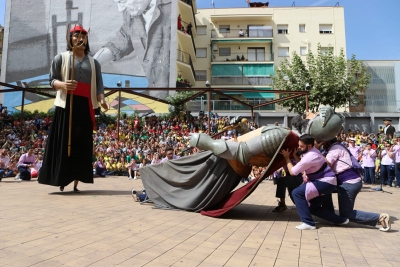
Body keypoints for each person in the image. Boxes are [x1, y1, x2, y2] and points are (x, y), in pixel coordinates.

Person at [139, 106, 343, 216]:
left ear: (317, 123)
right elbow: (253, 147)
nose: (310, 111)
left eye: (315, 113)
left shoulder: (282, 135)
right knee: (179, 178)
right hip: (226, 165)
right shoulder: (288, 138)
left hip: (221, 164)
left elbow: (243, 152)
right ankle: (149, 194)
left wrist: (205, 141)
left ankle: (148, 194)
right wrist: (243, 131)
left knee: (175, 173)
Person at [38, 25, 108, 192]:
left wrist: (103, 100)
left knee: (81, 143)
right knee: (63, 141)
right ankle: (61, 177)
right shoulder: (60, 58)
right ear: (70, 39)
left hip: (85, 105)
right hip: (65, 104)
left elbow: (99, 86)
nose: (80, 39)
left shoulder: (94, 62)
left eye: (83, 36)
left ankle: (77, 179)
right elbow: (52, 80)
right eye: (76, 36)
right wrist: (63, 84)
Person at [94, 0, 172, 92]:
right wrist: (92, 64)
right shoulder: (130, 13)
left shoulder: (171, 8)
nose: (120, 9)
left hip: (172, 95)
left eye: (122, 1)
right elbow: (121, 40)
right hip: (154, 93)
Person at [320, 138, 391, 232]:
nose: (321, 144)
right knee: (325, 192)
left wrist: (317, 151)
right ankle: (332, 217)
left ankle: (381, 217)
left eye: (321, 142)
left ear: (327, 141)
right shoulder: (336, 147)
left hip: (349, 182)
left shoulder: (335, 148)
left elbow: (326, 164)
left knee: (346, 214)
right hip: (348, 182)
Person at [281, 134, 348, 230]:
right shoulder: (313, 151)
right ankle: (340, 220)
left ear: (309, 146)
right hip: (328, 181)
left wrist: (287, 157)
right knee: (312, 207)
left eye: (301, 146)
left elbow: (293, 172)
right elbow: (302, 163)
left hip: (325, 182)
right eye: (298, 145)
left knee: (297, 193)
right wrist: (295, 155)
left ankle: (308, 223)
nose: (299, 148)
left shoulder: (310, 156)